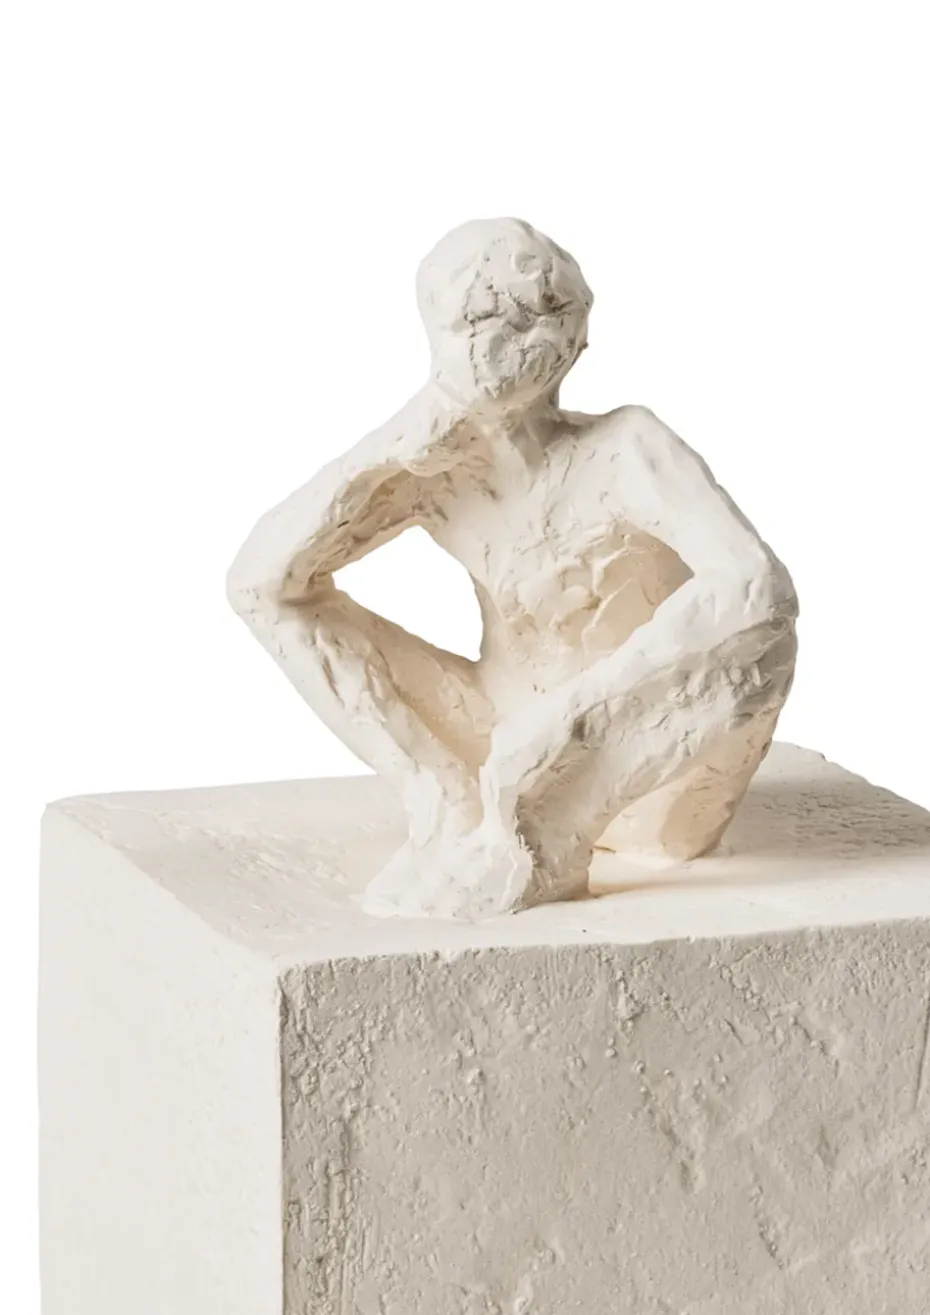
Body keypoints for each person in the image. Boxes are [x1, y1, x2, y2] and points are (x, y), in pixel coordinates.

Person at [227, 219, 797, 919]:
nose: (495, 344)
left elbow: (753, 585)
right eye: (471, 322)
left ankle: (548, 837)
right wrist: (387, 448)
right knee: (279, 604)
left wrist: (570, 719)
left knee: (765, 638)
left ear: (572, 338)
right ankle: (447, 810)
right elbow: (261, 582)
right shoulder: (433, 470)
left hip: (646, 772)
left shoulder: (627, 447)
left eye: (527, 317)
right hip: (493, 744)